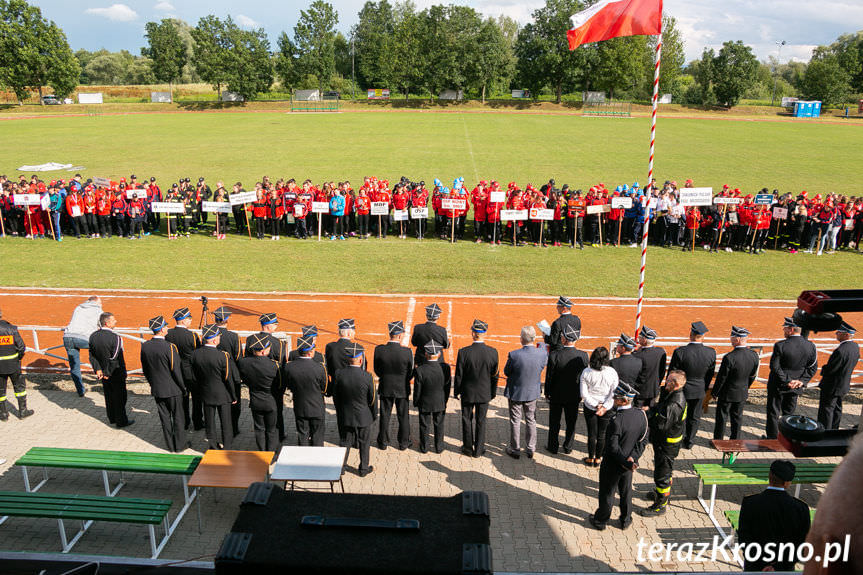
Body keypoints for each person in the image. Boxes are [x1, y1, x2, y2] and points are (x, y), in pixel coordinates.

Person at [588, 382, 648, 531]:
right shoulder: (641, 415)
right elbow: (643, 440)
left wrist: (625, 462)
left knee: (607, 493)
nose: (613, 399)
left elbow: (612, 447)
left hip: (613, 464)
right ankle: (625, 519)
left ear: (624, 400)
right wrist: (632, 458)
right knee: (626, 492)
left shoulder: (616, 420)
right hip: (629, 463)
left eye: (616, 397)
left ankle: (601, 520)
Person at [738, 460, 811, 572]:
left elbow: (744, 538)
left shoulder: (750, 503)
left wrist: (761, 564)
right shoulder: (801, 508)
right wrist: (778, 567)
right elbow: (801, 544)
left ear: (769, 476)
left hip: (755, 567)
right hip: (784, 569)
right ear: (787, 482)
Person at [641, 370, 687, 516]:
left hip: (667, 445)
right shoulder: (671, 395)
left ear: (676, 384)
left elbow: (661, 424)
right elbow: (661, 408)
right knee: (664, 470)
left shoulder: (675, 403)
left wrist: (646, 418)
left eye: (669, 381)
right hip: (664, 442)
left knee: (662, 475)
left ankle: (660, 505)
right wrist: (651, 409)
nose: (665, 382)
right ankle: (660, 493)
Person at [765, 317, 818, 439]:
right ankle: (786, 437)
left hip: (778, 385)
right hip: (796, 386)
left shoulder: (780, 345)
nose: (783, 330)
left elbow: (774, 367)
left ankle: (772, 438)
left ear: (791, 329)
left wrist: (787, 380)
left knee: (773, 412)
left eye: (785, 328)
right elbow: (812, 368)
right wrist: (801, 381)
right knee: (789, 413)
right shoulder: (811, 346)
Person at [140, 316, 186, 452]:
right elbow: (176, 370)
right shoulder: (170, 347)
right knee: (178, 418)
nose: (167, 328)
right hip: (173, 389)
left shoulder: (145, 346)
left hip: (157, 389)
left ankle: (170, 446)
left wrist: (152, 383)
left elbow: (146, 369)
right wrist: (182, 387)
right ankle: (180, 445)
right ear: (161, 330)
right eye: (165, 326)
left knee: (165, 418)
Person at [454, 319, 499, 458]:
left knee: (466, 419)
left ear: (473, 333)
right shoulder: (493, 352)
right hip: (484, 393)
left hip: (467, 392)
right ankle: (479, 450)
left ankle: (467, 448)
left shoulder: (463, 352)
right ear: (484, 333)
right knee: (481, 421)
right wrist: (492, 393)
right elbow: (495, 376)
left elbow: (459, 375)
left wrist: (457, 391)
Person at [668, 321, 716, 449]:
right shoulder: (711, 353)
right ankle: (689, 441)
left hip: (681, 389)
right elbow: (709, 374)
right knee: (694, 417)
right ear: (703, 336)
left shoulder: (680, 352)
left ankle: (676, 439)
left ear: (691, 334)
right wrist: (704, 387)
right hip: (699, 389)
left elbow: (672, 373)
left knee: (678, 416)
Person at [503, 326, 547, 459]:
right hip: (532, 393)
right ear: (533, 338)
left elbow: (506, 372)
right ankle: (531, 448)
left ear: (522, 339)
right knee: (531, 420)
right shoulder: (542, 353)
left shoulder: (514, 354)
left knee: (515, 420)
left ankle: (515, 449)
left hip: (516, 392)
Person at [191, 324, 237, 450]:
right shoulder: (223, 356)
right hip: (223, 395)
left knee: (210, 423)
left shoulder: (195, 354)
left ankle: (212, 446)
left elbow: (194, 375)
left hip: (206, 393)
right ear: (215, 339)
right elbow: (227, 378)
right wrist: (233, 395)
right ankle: (227, 447)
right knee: (226, 423)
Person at [545, 325, 589, 455]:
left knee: (554, 422)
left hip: (556, 394)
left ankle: (553, 446)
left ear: (564, 338)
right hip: (574, 396)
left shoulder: (554, 355)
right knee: (571, 422)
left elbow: (549, 377)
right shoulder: (583, 356)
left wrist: (547, 392)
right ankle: (568, 447)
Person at [334, 343, 376, 476]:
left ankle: (341, 467)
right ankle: (363, 469)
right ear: (360, 359)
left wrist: (340, 412)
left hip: (345, 415)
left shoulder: (339, 374)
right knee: (364, 443)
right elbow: (373, 399)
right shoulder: (367, 377)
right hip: (363, 416)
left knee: (345, 442)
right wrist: (373, 415)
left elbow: (336, 396)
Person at [244, 313, 287, 441]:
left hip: (255, 383)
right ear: (268, 326)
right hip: (273, 383)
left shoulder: (251, 339)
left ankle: (262, 438)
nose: (277, 326)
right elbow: (282, 366)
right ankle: (279, 434)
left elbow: (247, 361)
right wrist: (282, 387)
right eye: (275, 324)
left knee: (258, 416)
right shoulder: (278, 343)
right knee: (277, 410)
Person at [711, 326, 759, 440]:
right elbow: (753, 375)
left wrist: (715, 392)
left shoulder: (729, 357)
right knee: (737, 418)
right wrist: (746, 387)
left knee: (722, 418)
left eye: (732, 337)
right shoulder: (754, 355)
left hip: (727, 394)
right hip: (742, 392)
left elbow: (722, 378)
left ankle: (718, 440)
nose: (730, 340)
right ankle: (735, 440)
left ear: (737, 339)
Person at [373, 321, 414, 450]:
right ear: (400, 335)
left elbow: (377, 369)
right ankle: (403, 443)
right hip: (402, 388)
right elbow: (411, 372)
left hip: (386, 386)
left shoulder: (379, 350)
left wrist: (385, 378)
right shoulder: (407, 352)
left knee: (385, 415)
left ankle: (383, 442)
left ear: (390, 334)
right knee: (403, 416)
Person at [88, 312, 132, 428]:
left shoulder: (93, 336)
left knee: (108, 395)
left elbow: (92, 355)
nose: (115, 322)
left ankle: (111, 417)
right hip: (115, 372)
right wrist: (108, 372)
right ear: (107, 323)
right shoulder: (116, 338)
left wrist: (98, 369)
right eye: (113, 320)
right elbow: (114, 357)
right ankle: (121, 421)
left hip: (102, 372)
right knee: (120, 396)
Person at [238, 334, 280, 451]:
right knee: (271, 429)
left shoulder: (243, 363)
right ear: (263, 351)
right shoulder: (274, 365)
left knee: (259, 428)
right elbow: (279, 385)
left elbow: (244, 379)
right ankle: (271, 453)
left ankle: (262, 451)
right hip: (271, 401)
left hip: (255, 400)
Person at [284, 334, 328, 446]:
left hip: (300, 406)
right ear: (310, 352)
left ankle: (303, 459)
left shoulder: (289, 367)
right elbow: (324, 388)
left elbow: (288, 385)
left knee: (302, 434)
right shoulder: (320, 367)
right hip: (317, 406)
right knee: (317, 435)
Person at [580, 346, 619, 467]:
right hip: (606, 408)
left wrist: (596, 405)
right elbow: (614, 392)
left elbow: (584, 394)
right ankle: (598, 459)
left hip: (591, 407)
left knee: (592, 434)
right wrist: (604, 406)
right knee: (602, 434)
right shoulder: (612, 372)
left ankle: (591, 458)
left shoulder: (586, 372)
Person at [165, 307, 202, 430]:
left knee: (182, 399)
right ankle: (198, 423)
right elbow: (198, 353)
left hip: (175, 371)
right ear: (183, 320)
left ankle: (185, 423)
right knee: (197, 399)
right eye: (189, 318)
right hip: (191, 372)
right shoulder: (192, 335)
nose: (190, 321)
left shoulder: (168, 334)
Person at [817, 322, 859, 430]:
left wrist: (823, 369)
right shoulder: (854, 346)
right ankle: (834, 430)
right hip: (843, 384)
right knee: (837, 409)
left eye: (839, 333)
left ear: (846, 335)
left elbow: (831, 369)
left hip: (832, 386)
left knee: (827, 410)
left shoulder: (841, 351)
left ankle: (825, 432)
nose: (836, 334)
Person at [413, 341, 451, 454]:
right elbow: (447, 386)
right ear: (439, 354)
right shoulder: (445, 368)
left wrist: (416, 402)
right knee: (439, 424)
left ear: (426, 354)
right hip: (440, 401)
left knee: (424, 425)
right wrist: (445, 400)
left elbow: (417, 389)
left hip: (424, 402)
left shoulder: (420, 370)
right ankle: (439, 447)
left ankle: (424, 447)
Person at [63, 296, 102, 397]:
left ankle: (80, 390)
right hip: (83, 338)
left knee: (74, 366)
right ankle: (98, 370)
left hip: (68, 337)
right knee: (95, 349)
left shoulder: (78, 307)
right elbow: (101, 327)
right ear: (97, 302)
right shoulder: (99, 310)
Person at [213, 306, 242, 436]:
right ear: (227, 320)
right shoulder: (233, 336)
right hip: (231, 372)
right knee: (235, 402)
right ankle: (234, 428)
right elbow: (238, 357)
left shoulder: (209, 334)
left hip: (214, 372)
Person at [0, 307, 29, 421]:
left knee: (1, 391)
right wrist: (18, 358)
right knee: (20, 388)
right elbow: (21, 347)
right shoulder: (11, 329)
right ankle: (23, 411)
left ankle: (3, 414)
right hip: (13, 364)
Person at [633, 326, 666, 408]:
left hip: (640, 392)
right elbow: (662, 372)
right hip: (654, 390)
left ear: (644, 340)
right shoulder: (661, 352)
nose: (638, 339)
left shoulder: (637, 355)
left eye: (640, 337)